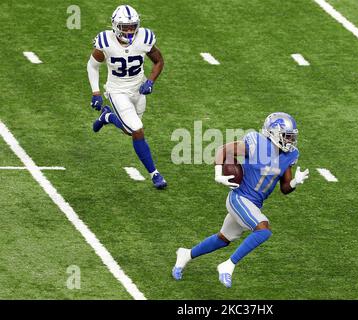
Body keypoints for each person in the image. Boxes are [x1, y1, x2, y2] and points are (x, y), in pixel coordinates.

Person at [172, 112, 309, 287]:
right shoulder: (256, 142)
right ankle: (227, 265)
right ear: (273, 132)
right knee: (263, 229)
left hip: (254, 204)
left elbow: (285, 188)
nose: (290, 141)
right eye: (286, 136)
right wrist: (218, 173)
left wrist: (295, 182)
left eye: (291, 137)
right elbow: (224, 150)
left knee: (223, 239)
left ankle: (186, 254)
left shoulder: (290, 155)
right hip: (239, 197)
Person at [86, 4, 167, 189]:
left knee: (129, 130)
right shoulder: (105, 42)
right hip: (117, 91)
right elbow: (92, 66)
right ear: (115, 25)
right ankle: (155, 174)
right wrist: (96, 92)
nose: (130, 30)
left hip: (138, 89)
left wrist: (150, 81)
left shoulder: (144, 38)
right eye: (125, 26)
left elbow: (159, 61)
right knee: (137, 129)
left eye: (132, 26)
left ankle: (107, 116)